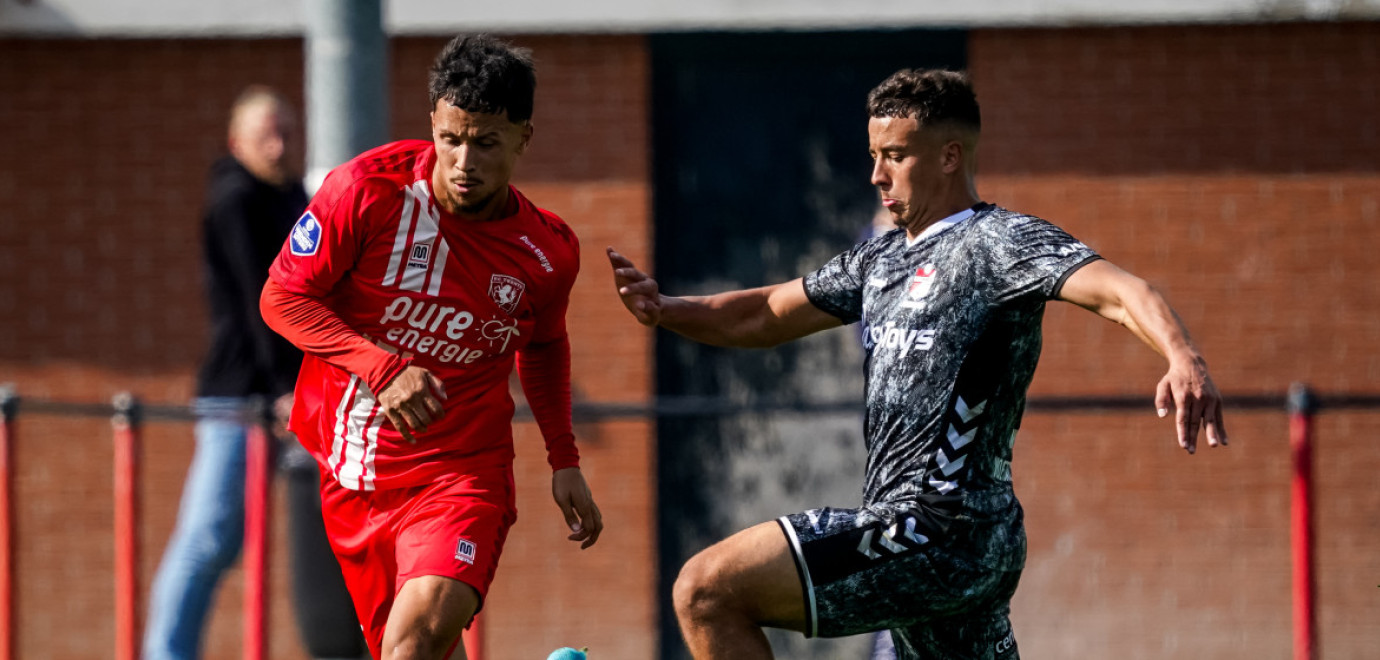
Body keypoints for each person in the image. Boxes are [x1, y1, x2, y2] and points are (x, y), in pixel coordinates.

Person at [608, 68, 1227, 660]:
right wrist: (667, 308)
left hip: (937, 530)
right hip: (946, 545)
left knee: (706, 590)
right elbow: (767, 312)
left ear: (949, 156)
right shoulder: (877, 261)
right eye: (873, 154)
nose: (876, 174)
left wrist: (1181, 354)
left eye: (895, 155)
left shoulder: (1001, 243)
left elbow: (1122, 291)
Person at [261, 34, 604, 660]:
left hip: (462, 473)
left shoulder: (547, 252)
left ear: (524, 137)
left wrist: (564, 456)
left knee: (412, 645)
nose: (463, 161)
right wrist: (382, 367)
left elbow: (546, 344)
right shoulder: (365, 192)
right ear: (433, 125)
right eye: (451, 138)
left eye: (486, 142)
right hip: (353, 474)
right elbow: (281, 299)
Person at [144, 87, 308, 660]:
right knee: (207, 538)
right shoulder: (235, 198)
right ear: (237, 141)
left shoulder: (292, 196)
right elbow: (256, 301)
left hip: (275, 395)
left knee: (231, 541)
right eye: (267, 132)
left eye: (287, 130)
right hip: (239, 395)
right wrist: (285, 387)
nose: (280, 142)